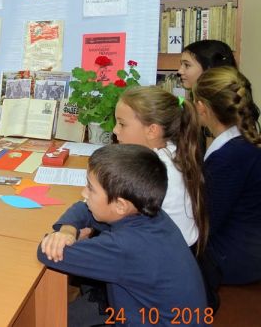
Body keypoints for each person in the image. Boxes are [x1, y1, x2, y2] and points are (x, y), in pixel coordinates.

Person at [38, 144, 207, 326]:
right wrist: (67, 230)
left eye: (90, 188)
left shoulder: (124, 247)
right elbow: (83, 207)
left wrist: (60, 239)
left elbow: (46, 252)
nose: (83, 192)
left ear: (120, 205)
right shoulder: (149, 214)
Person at [192, 67, 261, 290]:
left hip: (232, 261)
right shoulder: (242, 143)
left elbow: (204, 225)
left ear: (201, 107)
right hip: (245, 251)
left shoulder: (229, 157)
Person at [114, 86, 206, 249]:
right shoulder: (171, 149)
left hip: (167, 257)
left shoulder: (155, 169)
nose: (115, 130)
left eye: (122, 124)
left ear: (152, 130)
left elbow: (111, 209)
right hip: (176, 250)